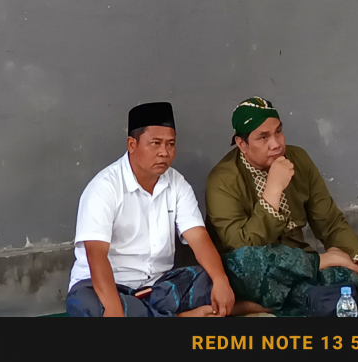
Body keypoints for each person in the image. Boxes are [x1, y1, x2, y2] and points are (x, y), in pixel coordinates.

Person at [205, 97, 358, 316]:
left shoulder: (298, 159)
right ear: (242, 144)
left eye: (278, 132)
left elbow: (329, 223)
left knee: (350, 281)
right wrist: (273, 191)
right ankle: (308, 296)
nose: (276, 144)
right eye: (263, 137)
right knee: (246, 262)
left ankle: (255, 307)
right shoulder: (222, 179)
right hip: (252, 272)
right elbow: (241, 247)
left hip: (299, 266)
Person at [65, 103, 235, 317]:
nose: (164, 152)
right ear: (132, 144)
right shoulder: (104, 187)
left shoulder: (177, 184)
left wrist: (220, 280)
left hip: (158, 287)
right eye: (155, 143)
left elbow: (198, 237)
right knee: (86, 306)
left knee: (220, 276)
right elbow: (96, 254)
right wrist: (114, 309)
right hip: (107, 287)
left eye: (170, 144)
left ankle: (156, 314)